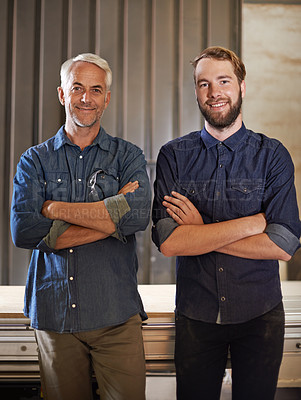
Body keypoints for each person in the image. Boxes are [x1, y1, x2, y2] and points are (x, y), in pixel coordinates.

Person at [152, 46, 301, 400]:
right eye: (204, 84)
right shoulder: (174, 156)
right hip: (197, 315)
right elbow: (170, 243)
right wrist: (252, 224)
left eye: (223, 81)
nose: (214, 92)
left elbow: (282, 245)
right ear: (196, 92)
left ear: (242, 87)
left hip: (259, 315)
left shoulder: (272, 155)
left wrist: (199, 229)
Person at [11, 53, 151, 400]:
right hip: (54, 315)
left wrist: (55, 210)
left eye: (95, 89)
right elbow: (25, 230)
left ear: (106, 98)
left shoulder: (127, 156)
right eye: (77, 88)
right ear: (62, 94)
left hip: (116, 315)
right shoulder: (35, 160)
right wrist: (111, 217)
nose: (86, 98)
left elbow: (138, 217)